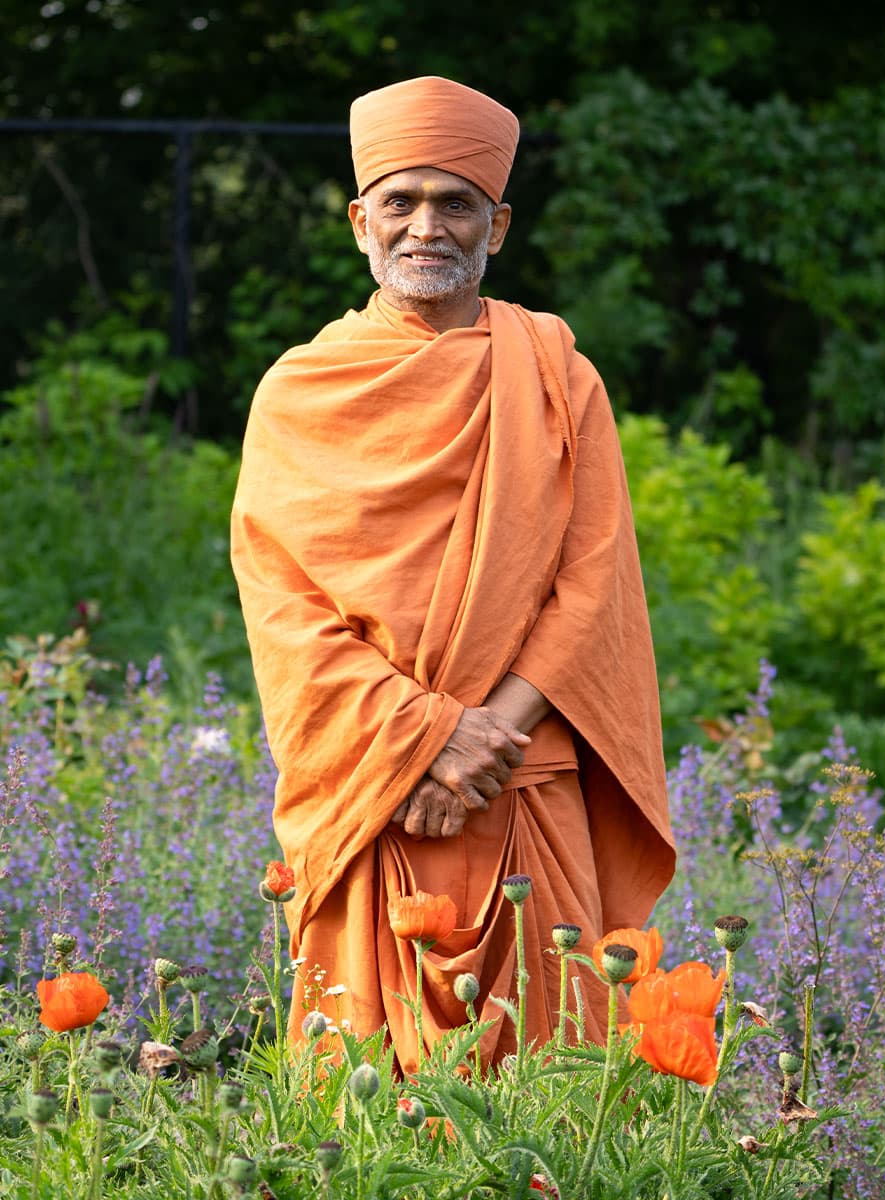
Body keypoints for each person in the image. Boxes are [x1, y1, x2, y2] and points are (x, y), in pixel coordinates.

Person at [230, 76, 675, 1073]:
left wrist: (484, 741)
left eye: (456, 203)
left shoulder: (557, 373)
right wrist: (429, 740)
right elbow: (286, 611)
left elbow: (590, 586)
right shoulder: (302, 390)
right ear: (359, 222)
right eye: (401, 200)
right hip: (377, 795)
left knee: (549, 1104)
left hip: (522, 790)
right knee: (367, 1119)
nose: (427, 225)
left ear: (498, 225)